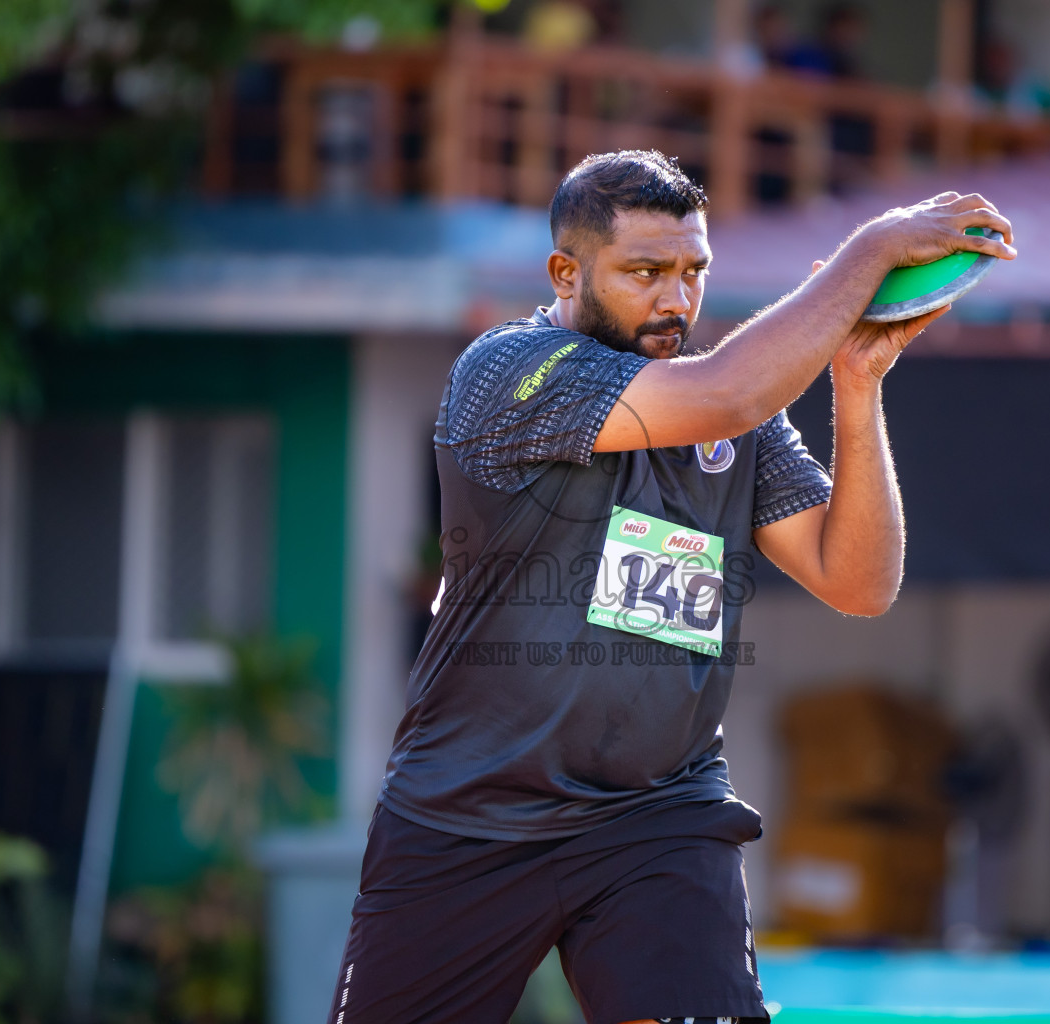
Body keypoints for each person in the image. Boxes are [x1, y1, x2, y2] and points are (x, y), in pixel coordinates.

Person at [327, 150, 1014, 1024]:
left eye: (692, 272)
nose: (675, 299)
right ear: (566, 274)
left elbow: (860, 582)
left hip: (657, 812)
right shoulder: (507, 372)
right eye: (645, 272)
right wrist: (872, 249)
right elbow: (725, 391)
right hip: (470, 815)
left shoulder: (736, 420)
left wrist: (855, 384)